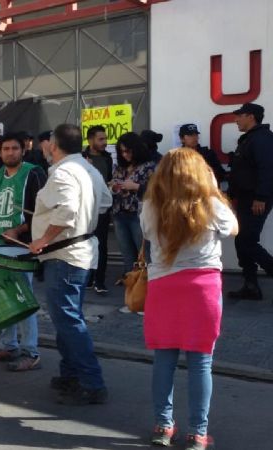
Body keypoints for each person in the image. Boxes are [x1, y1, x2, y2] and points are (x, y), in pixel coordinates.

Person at [141, 149, 238, 450]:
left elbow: (146, 235)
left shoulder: (150, 206)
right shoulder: (210, 204)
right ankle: (198, 433)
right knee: (201, 363)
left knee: (164, 359)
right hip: (202, 287)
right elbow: (233, 228)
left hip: (162, 286)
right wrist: (212, 186)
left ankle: (163, 426)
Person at [29, 123, 112, 406]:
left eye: (49, 141)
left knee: (68, 320)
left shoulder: (64, 172)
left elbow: (66, 211)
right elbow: (105, 202)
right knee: (67, 319)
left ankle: (92, 381)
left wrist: (42, 239)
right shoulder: (90, 169)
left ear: (54, 144)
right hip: (80, 251)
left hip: (64, 254)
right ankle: (72, 374)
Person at [0, 133, 46, 371]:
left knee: (23, 297)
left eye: (14, 148)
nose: (10, 152)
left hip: (21, 246)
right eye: (5, 149)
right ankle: (8, 344)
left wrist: (19, 230)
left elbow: (43, 211)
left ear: (23, 150)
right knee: (6, 296)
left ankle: (31, 351)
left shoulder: (34, 172)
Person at [227, 102, 273, 301]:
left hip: (256, 199)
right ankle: (251, 285)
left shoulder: (262, 139)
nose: (236, 119)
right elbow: (241, 171)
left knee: (247, 240)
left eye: (240, 115)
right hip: (246, 199)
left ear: (251, 117)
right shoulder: (248, 140)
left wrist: (260, 197)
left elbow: (267, 169)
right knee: (242, 240)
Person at [110, 132, 156, 289]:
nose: (125, 154)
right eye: (122, 151)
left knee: (143, 255)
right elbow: (115, 186)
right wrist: (114, 187)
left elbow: (156, 192)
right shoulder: (120, 167)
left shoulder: (149, 166)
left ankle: (146, 293)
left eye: (128, 150)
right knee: (127, 256)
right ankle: (133, 294)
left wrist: (135, 187)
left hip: (138, 215)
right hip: (119, 214)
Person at [83, 125, 112, 294]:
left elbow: (107, 179)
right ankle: (88, 278)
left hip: (102, 208)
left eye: (105, 139)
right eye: (101, 139)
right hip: (85, 209)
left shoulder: (107, 158)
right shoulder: (81, 158)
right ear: (90, 140)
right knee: (86, 244)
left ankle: (99, 280)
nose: (105, 142)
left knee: (102, 245)